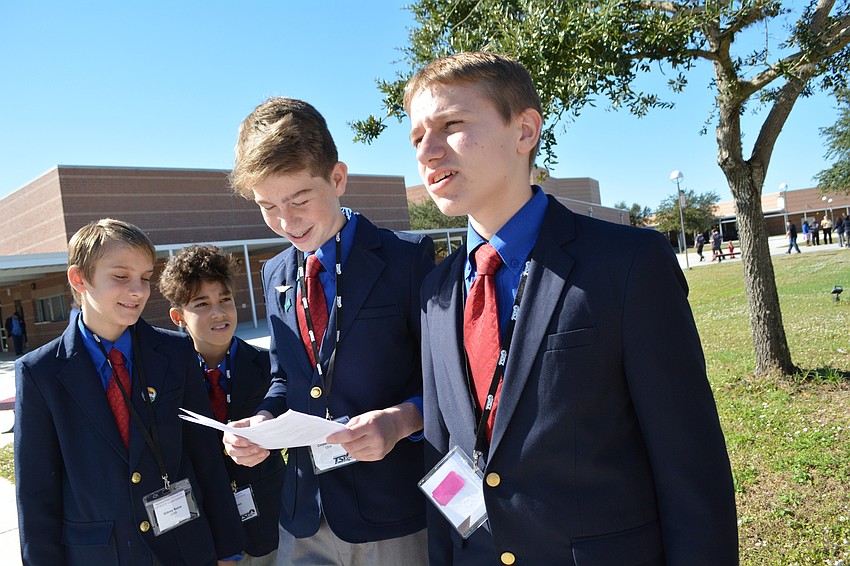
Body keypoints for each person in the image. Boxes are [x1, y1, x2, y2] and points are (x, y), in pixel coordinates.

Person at [405, 52, 737, 564]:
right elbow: (446, 453)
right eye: (417, 137)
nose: (427, 151)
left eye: (451, 125)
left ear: (525, 131)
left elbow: (690, 463)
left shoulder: (627, 264)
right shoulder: (434, 292)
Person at [223, 97, 435, 566]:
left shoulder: (408, 260)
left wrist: (400, 422)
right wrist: (261, 423)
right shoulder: (276, 274)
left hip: (391, 512)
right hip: (303, 515)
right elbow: (285, 380)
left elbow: (444, 381)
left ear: (337, 178)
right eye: (267, 207)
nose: (286, 222)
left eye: (299, 200)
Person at [14, 218, 246, 565]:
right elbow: (36, 492)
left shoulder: (176, 353)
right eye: (121, 277)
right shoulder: (40, 372)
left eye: (145, 278)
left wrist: (228, 547)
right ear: (79, 279)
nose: (137, 290)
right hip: (100, 554)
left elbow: (205, 455)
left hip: (184, 547)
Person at [159, 244, 285, 565]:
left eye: (225, 300)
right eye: (202, 304)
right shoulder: (165, 378)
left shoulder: (268, 366)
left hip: (268, 525)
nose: (219, 312)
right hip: (202, 529)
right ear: (178, 317)